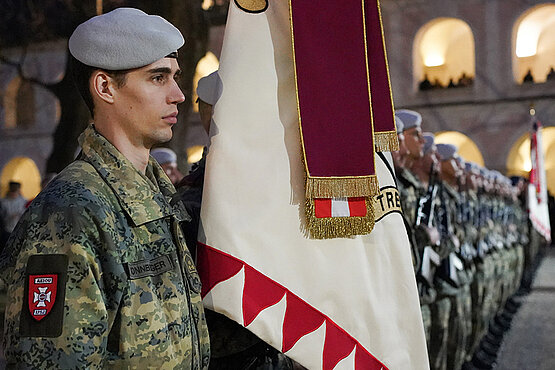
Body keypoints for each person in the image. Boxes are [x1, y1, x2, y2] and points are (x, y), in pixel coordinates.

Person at [0, 8, 209, 368]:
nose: (178, 94)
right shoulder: (69, 214)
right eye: (158, 78)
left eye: (175, 77)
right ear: (105, 87)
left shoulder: (157, 197)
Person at [0, 181, 28, 249]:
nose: (14, 194)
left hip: (19, 229)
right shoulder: (3, 201)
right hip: (6, 229)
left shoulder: (23, 201)